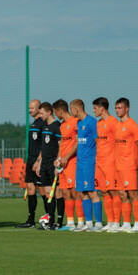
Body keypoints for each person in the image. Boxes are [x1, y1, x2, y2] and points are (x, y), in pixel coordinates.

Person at [70, 99, 102, 232]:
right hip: (80, 163)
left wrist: (98, 159)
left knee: (92, 191)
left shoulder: (91, 122)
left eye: (71, 109)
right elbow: (79, 142)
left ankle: (99, 224)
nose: (71, 112)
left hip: (90, 162)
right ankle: (88, 223)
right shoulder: (78, 123)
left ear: (77, 109)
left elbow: (98, 142)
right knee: (82, 192)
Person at [113, 98, 138, 233]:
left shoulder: (133, 125)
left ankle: (137, 225)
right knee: (121, 194)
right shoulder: (117, 126)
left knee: (133, 194)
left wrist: (137, 163)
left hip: (129, 165)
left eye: (119, 108)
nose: (117, 110)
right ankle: (126, 223)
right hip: (118, 165)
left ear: (127, 109)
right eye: (115, 108)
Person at [16, 99, 47, 228]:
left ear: (39, 109)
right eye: (29, 108)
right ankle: (30, 220)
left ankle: (48, 216)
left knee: (42, 189)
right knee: (30, 188)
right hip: (30, 160)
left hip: (38, 161)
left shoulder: (43, 124)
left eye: (32, 108)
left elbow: (44, 145)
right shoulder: (33, 124)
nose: (29, 111)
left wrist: (38, 161)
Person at [53, 99, 83, 231]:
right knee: (65, 192)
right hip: (63, 163)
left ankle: (81, 222)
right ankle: (70, 222)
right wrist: (58, 159)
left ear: (60, 111)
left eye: (55, 112)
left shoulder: (75, 122)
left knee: (75, 192)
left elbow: (77, 142)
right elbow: (62, 145)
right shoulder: (62, 125)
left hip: (72, 162)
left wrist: (67, 157)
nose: (55, 115)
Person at [93, 97, 121, 232]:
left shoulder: (113, 122)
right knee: (104, 191)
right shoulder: (98, 123)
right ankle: (110, 222)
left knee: (113, 191)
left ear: (101, 108)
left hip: (110, 163)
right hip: (99, 163)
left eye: (95, 108)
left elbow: (120, 142)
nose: (94, 111)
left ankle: (117, 222)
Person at [35, 102, 61, 230]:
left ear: (49, 112)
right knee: (46, 192)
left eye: (41, 113)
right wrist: (39, 162)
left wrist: (57, 162)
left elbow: (61, 146)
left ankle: (58, 221)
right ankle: (50, 219)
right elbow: (43, 147)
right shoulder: (45, 126)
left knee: (55, 193)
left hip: (52, 163)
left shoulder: (57, 126)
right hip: (44, 163)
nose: (40, 116)